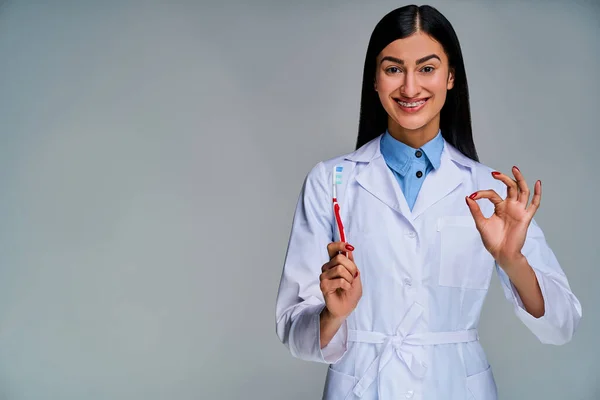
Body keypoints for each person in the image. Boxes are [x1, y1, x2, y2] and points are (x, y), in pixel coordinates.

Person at [275, 4, 582, 399]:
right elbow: (293, 332)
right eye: (392, 69)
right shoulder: (331, 181)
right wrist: (333, 314)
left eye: (426, 68)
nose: (409, 87)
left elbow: (562, 325)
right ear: (374, 79)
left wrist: (513, 261)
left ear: (451, 76)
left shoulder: (489, 190)